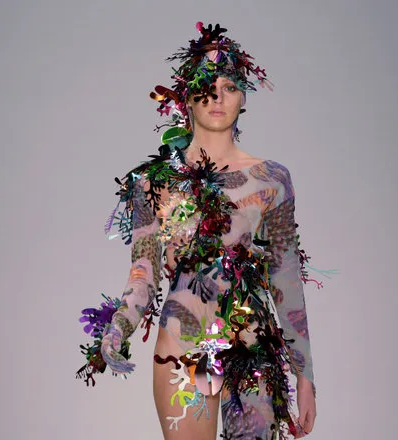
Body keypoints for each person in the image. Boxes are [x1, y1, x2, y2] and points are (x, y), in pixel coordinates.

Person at [77, 22, 332, 440]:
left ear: (243, 96)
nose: (217, 96)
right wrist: (118, 329)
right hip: (187, 342)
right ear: (186, 97)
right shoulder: (153, 182)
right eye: (206, 86)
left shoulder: (270, 180)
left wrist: (305, 375)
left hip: (251, 347)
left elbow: (285, 277)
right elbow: (144, 270)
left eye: (229, 86)